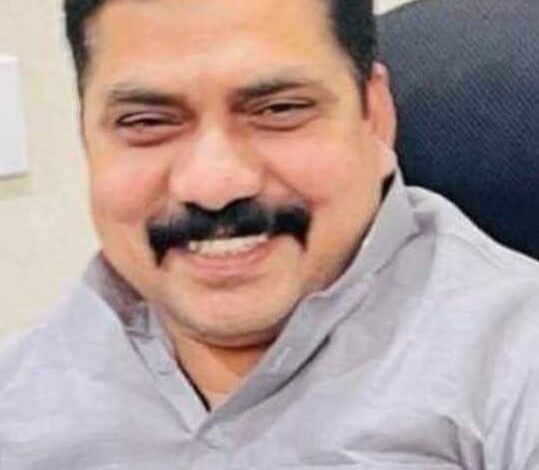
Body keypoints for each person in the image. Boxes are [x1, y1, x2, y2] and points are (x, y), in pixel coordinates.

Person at [1, 0, 539, 468]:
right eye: (147, 122)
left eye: (279, 110)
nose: (213, 186)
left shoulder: (513, 371)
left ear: (374, 117)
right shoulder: (20, 401)